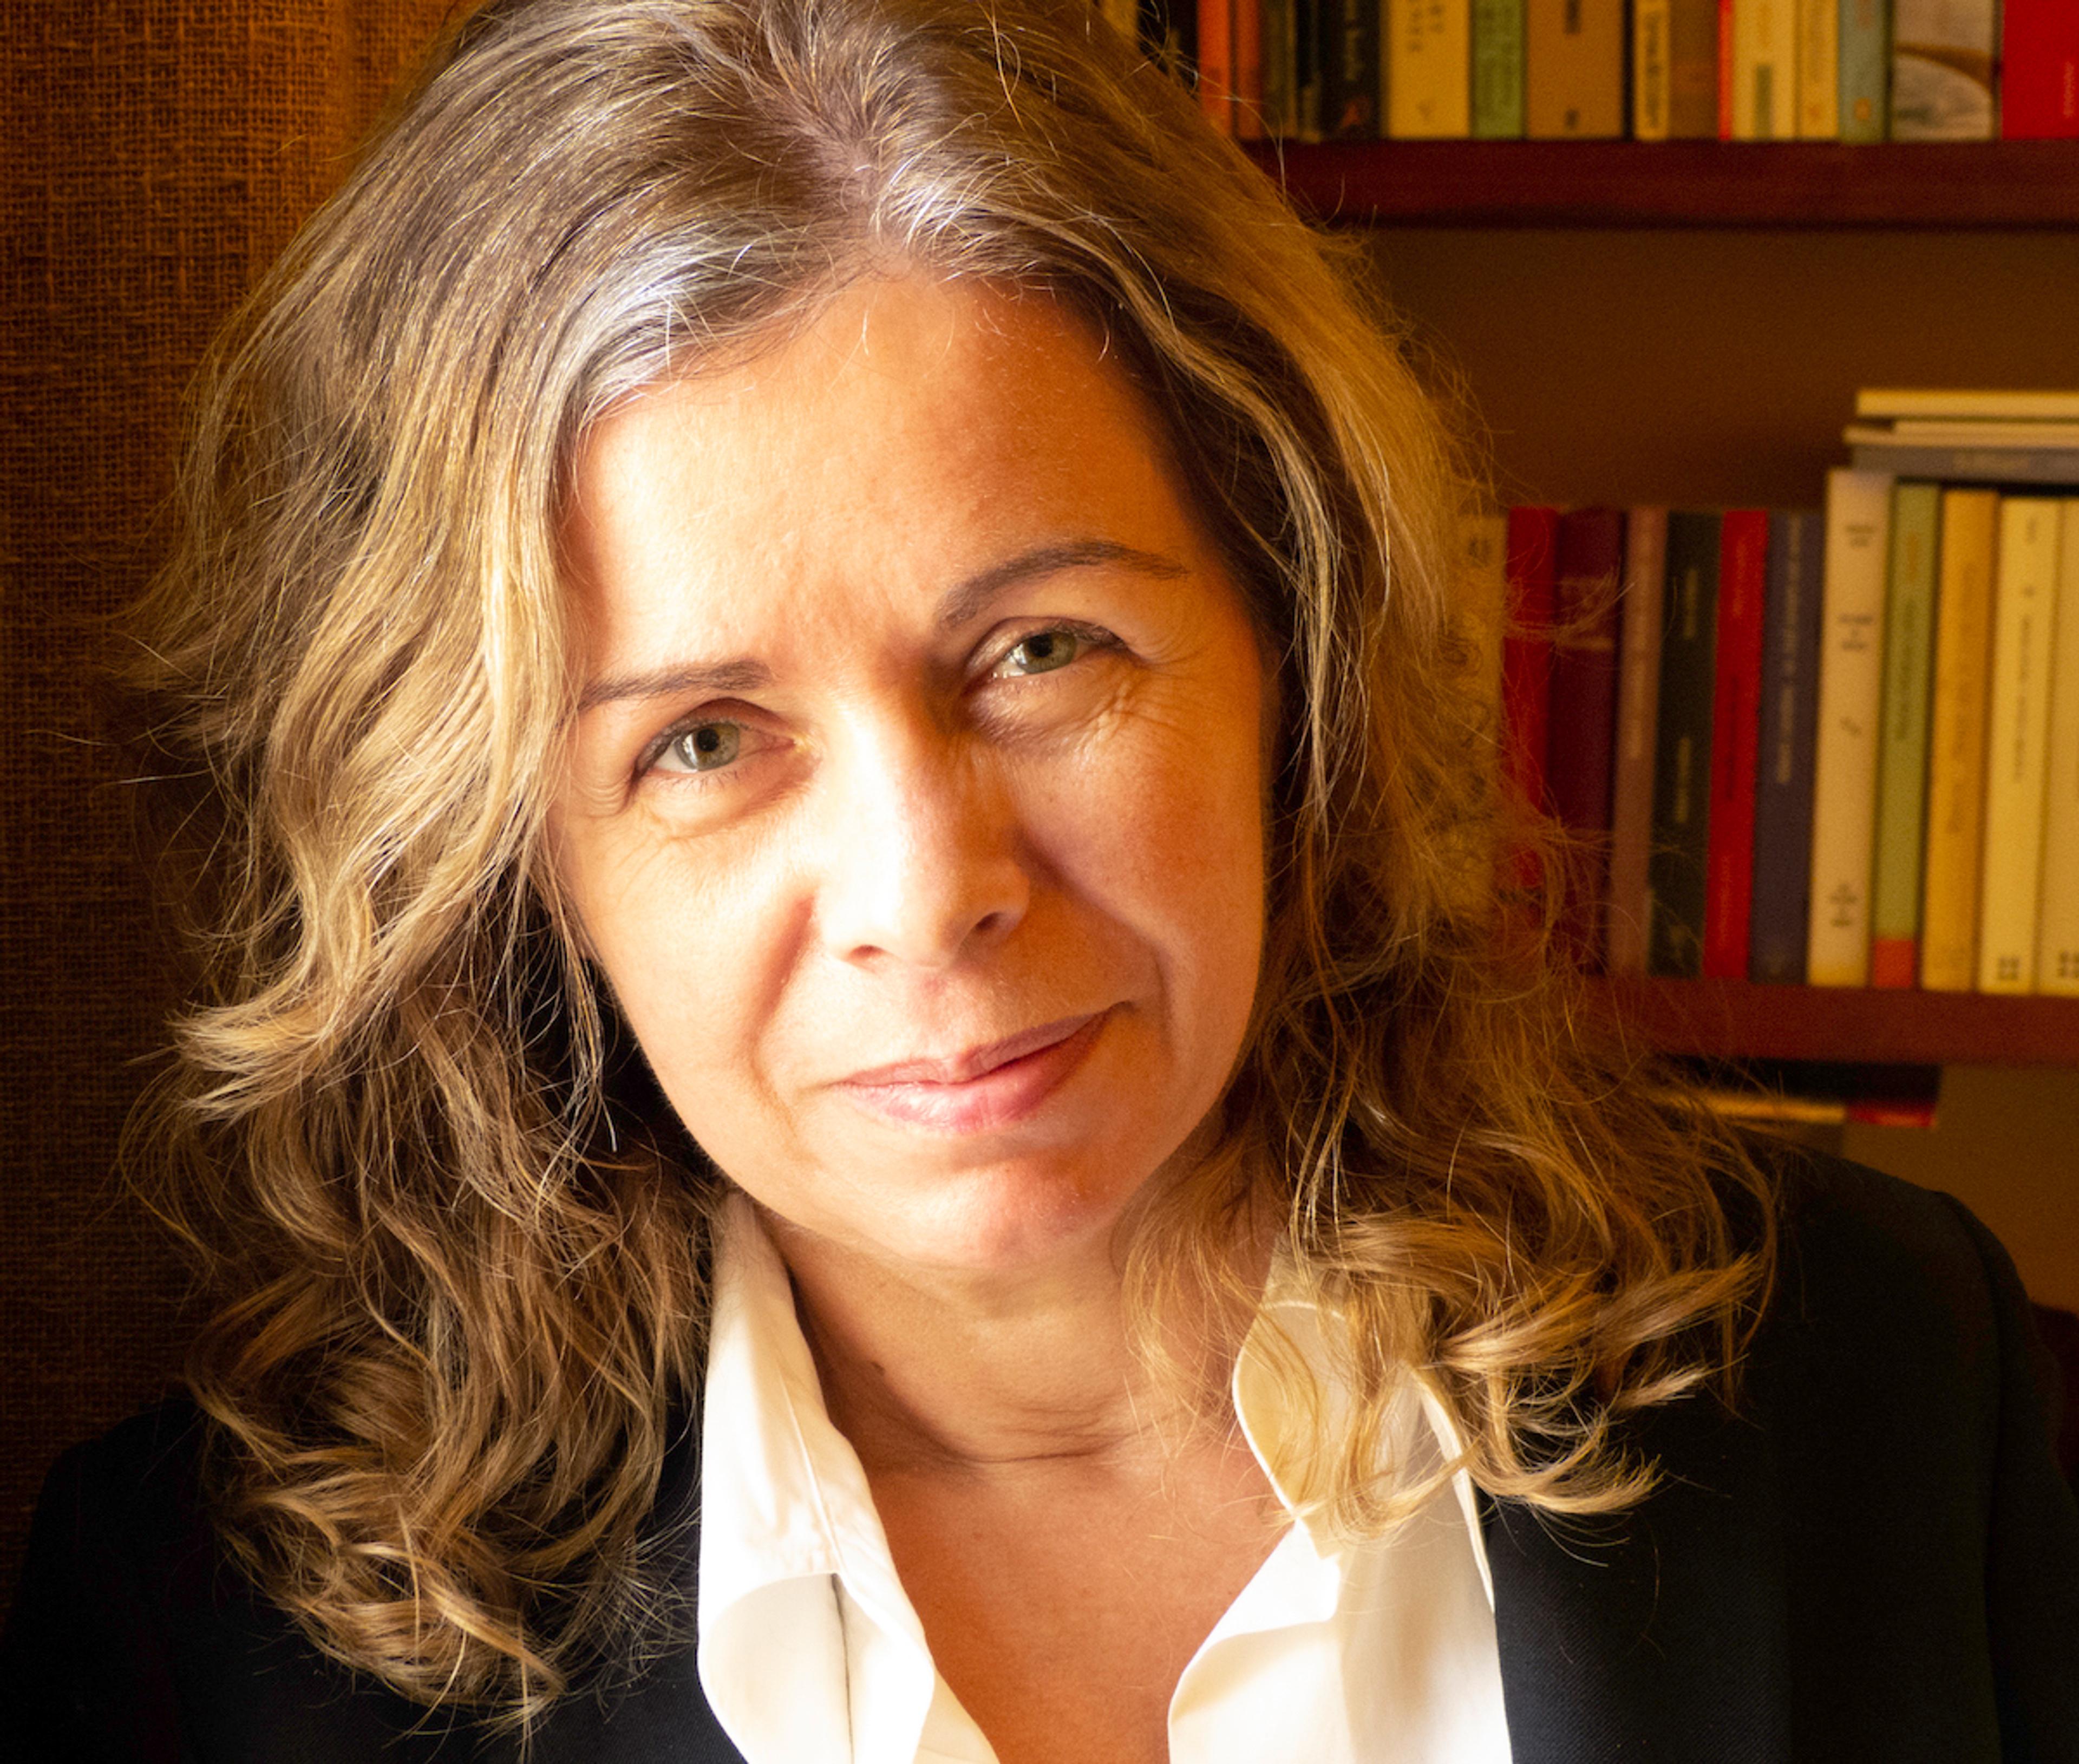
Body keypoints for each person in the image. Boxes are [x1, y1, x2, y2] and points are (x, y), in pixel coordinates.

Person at [3, 1, 2075, 1760]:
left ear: (1296, 647)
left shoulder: (1903, 1388)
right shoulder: (210, 1644)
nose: (929, 892)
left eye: (1041, 652)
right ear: (506, 855)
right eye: (702, 742)